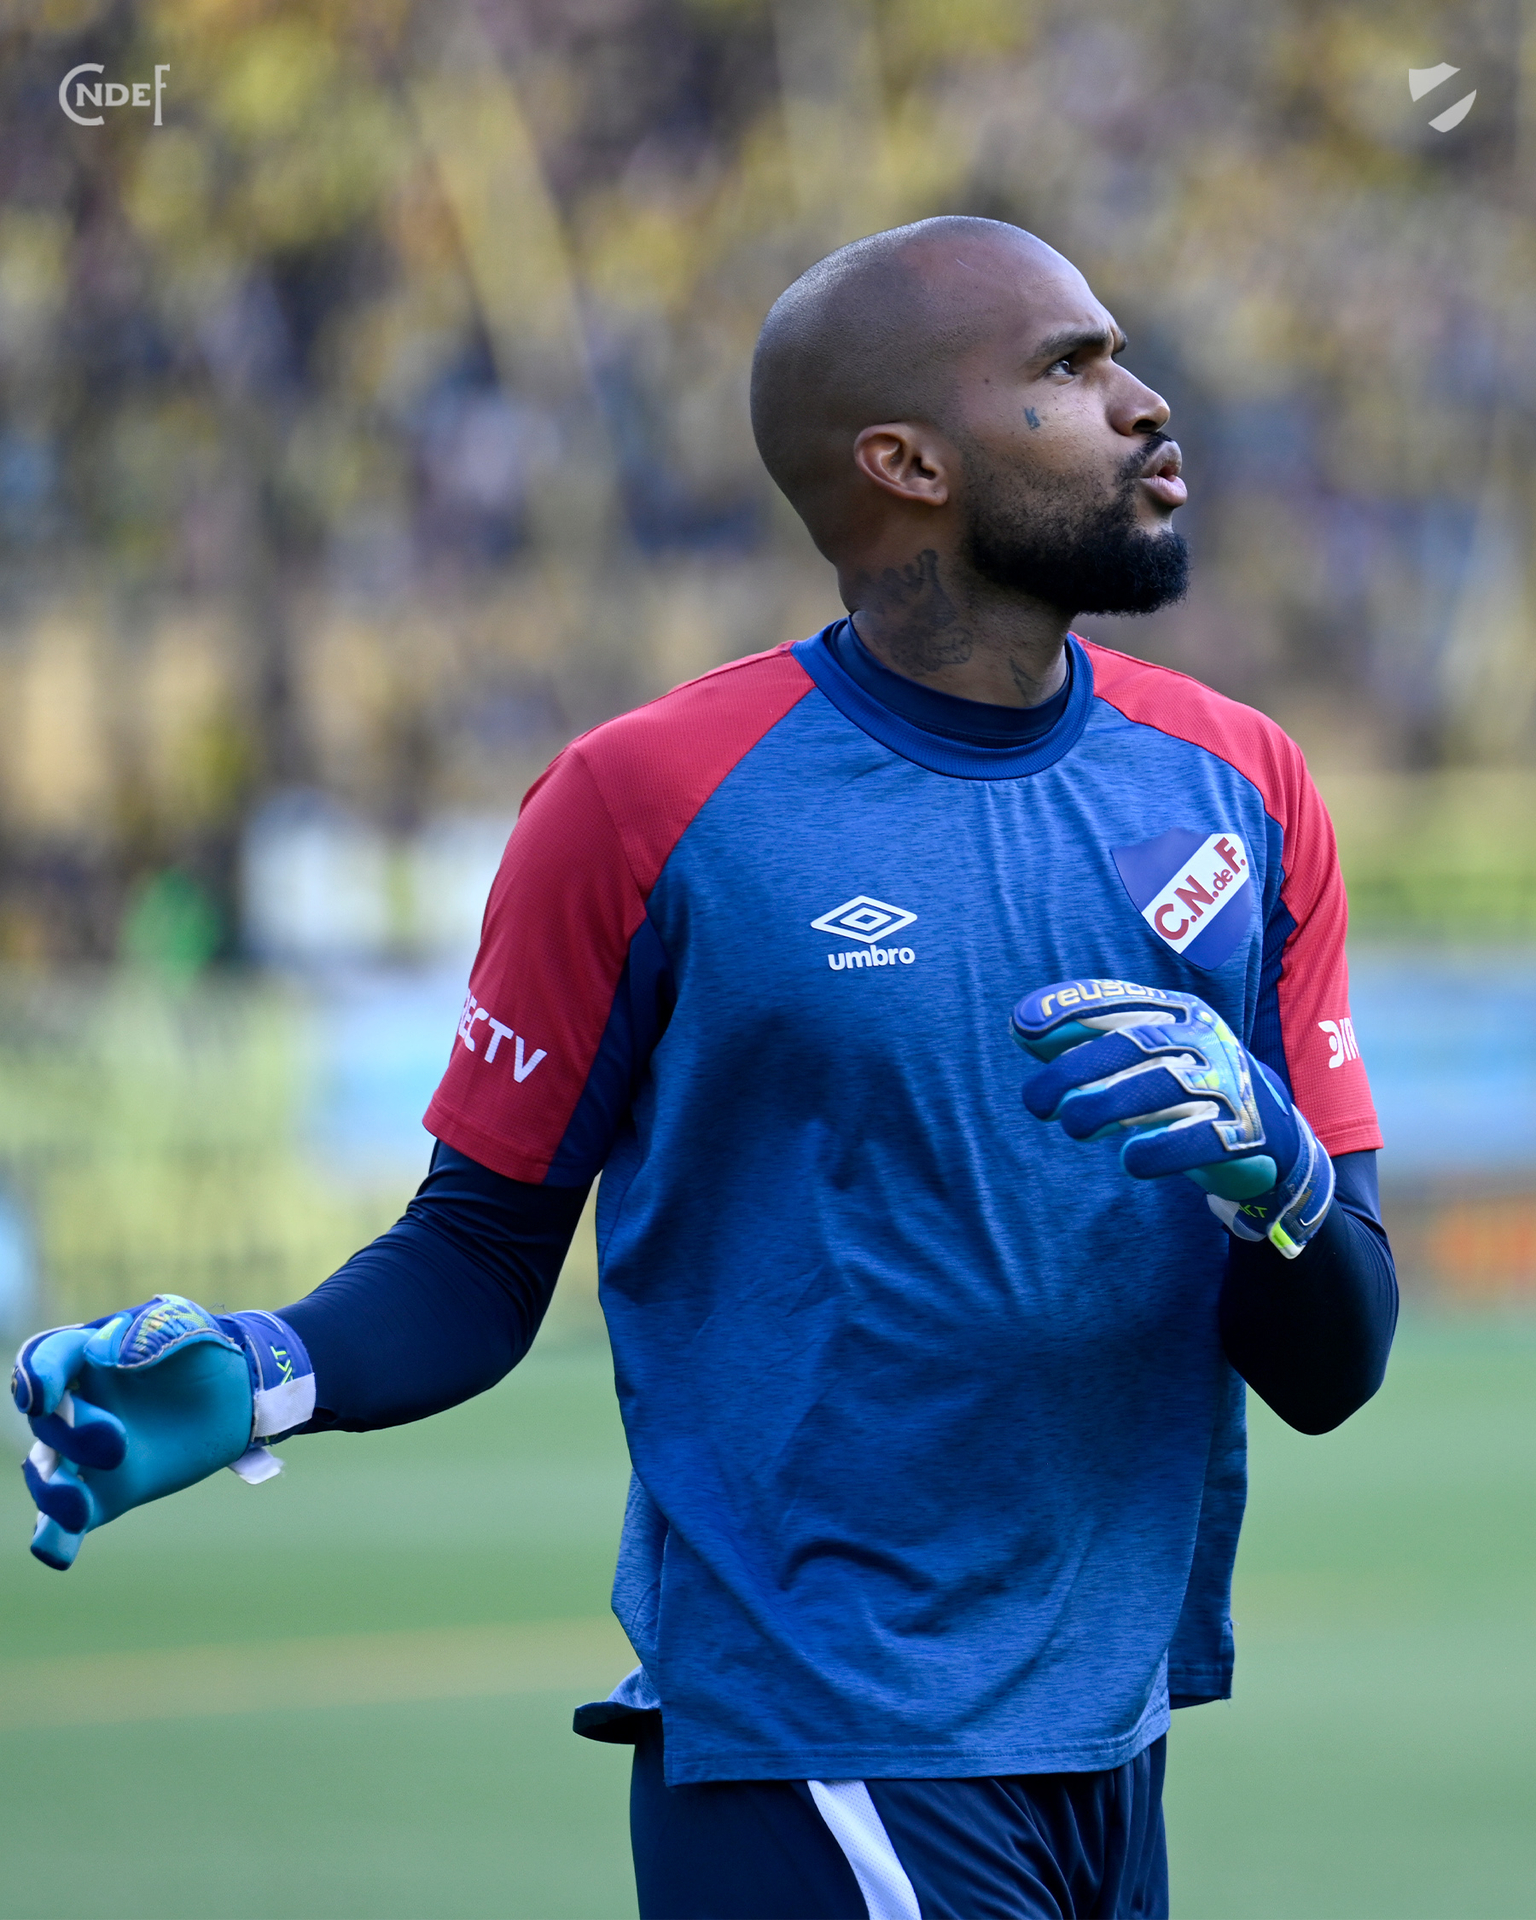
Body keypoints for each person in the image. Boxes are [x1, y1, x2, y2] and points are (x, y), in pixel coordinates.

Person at [13, 217, 1396, 1920]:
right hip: (820, 1755)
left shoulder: (1242, 785)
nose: (1145, 400)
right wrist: (267, 1369)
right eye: (1071, 366)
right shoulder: (645, 801)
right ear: (906, 463)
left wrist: (1284, 1187)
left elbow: (1338, 1363)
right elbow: (480, 1253)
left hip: (1114, 1747)